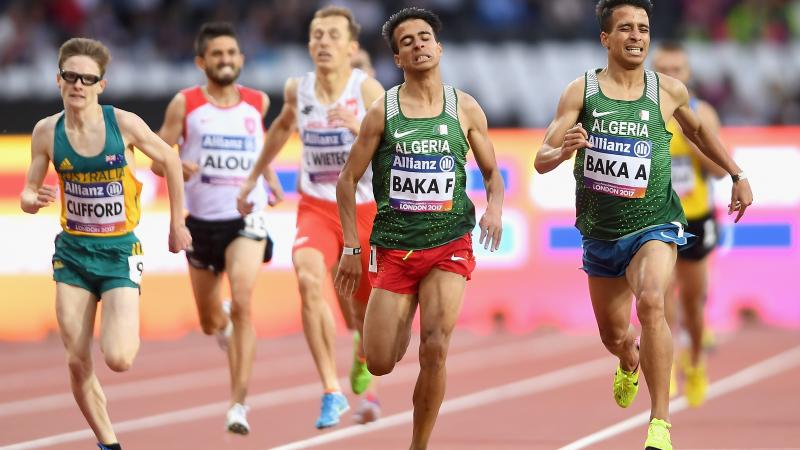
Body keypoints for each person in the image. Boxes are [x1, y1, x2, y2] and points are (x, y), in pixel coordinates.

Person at [533, 1, 753, 449]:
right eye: (626, 29)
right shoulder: (581, 93)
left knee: (654, 301)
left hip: (656, 224)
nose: (636, 36)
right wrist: (564, 151)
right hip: (601, 235)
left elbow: (698, 131)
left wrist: (737, 173)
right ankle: (628, 358)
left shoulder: (667, 91)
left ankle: (659, 424)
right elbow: (540, 159)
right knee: (614, 334)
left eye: (643, 29)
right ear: (606, 39)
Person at [335, 7, 504, 450]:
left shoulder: (464, 107)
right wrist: (352, 247)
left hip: (450, 244)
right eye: (407, 41)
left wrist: (494, 209)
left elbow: (491, 173)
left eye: (425, 37)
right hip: (394, 248)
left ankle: (418, 445)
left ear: (439, 46)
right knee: (379, 362)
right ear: (397, 58)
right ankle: (402, 314)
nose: (418, 45)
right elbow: (347, 182)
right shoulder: (382, 112)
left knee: (435, 349)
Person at [20, 37, 192, 450]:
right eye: (70, 77)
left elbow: (168, 160)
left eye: (87, 79)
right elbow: (27, 193)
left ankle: (122, 312)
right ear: (57, 80)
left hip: (118, 253)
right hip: (73, 255)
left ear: (101, 85)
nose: (77, 85)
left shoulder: (123, 124)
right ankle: (108, 442)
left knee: (118, 358)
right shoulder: (46, 131)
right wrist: (34, 199)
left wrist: (177, 224)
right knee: (77, 359)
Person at [238, 6, 384, 428]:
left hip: (363, 211)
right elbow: (281, 129)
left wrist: (360, 126)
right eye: (316, 34)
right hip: (317, 207)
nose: (322, 41)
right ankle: (331, 390)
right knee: (307, 277)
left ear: (351, 46)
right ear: (308, 43)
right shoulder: (296, 90)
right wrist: (252, 180)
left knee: (363, 312)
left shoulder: (368, 88)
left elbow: (394, 144)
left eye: (333, 35)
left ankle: (362, 351)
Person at [152, 22, 283, 435]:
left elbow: (258, 148)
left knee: (244, 300)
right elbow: (158, 155)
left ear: (242, 59)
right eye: (217, 55)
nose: (225, 60)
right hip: (201, 225)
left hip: (246, 218)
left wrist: (270, 178)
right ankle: (221, 322)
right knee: (210, 322)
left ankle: (238, 404)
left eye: (232, 53)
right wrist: (176, 163)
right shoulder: (184, 104)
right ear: (201, 61)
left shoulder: (258, 103)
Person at [652, 42, 727, 407]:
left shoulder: (703, 114)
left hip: (695, 219)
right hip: (656, 219)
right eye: (663, 69)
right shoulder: (645, 112)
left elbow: (718, 170)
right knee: (659, 298)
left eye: (677, 69)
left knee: (693, 306)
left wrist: (691, 140)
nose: (670, 76)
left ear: (688, 74)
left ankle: (695, 361)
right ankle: (664, 369)